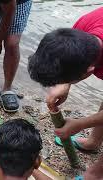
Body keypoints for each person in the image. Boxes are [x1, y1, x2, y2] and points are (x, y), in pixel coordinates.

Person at [28, 7, 103, 179]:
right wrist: (65, 85)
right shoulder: (81, 29)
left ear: (89, 71)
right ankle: (93, 142)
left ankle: (96, 173)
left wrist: (80, 123)